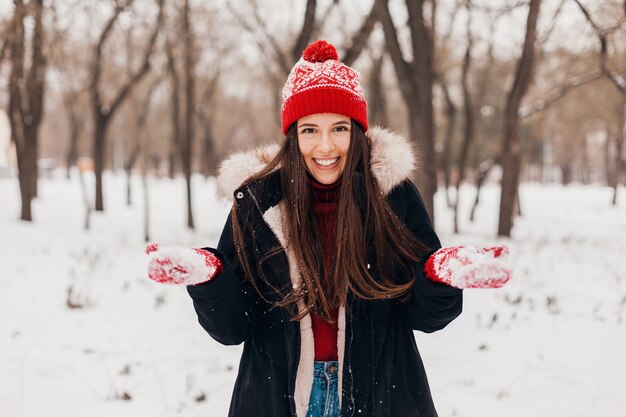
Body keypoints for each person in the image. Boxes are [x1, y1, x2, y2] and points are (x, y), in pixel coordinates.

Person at [146, 40, 511, 417]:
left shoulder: (392, 198)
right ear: (293, 136)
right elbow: (232, 328)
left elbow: (424, 317)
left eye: (339, 128)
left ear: (357, 132)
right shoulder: (257, 204)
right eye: (309, 130)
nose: (325, 145)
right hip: (277, 400)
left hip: (380, 394)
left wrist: (440, 277)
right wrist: (211, 279)